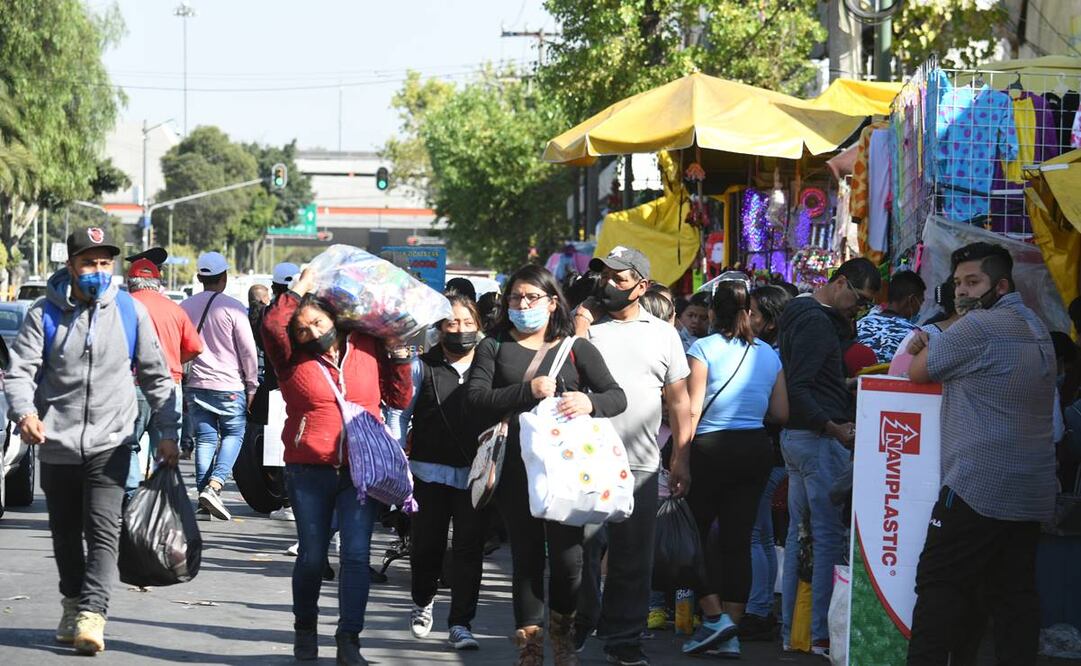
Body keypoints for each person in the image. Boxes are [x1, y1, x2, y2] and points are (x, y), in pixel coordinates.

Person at [4, 227, 181, 656]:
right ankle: (71, 601)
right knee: (64, 532)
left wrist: (168, 432)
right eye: (89, 263)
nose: (98, 271)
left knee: (103, 529)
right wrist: (25, 414)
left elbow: (158, 376)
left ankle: (92, 613)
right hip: (57, 441)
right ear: (72, 266)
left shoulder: (128, 311)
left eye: (105, 263)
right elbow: (19, 373)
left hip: (112, 439)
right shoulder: (43, 314)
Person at [466, 264, 627, 666]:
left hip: (567, 472)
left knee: (569, 560)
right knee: (525, 559)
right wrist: (526, 391)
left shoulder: (575, 347)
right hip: (514, 470)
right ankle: (531, 647)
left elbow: (616, 396)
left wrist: (589, 403)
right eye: (516, 297)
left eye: (532, 297)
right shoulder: (494, 346)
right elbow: (476, 399)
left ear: (553, 302)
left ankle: (563, 636)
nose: (523, 305)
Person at [904, 242, 1056, 665]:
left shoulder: (978, 328)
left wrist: (936, 335)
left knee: (938, 583)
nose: (962, 292)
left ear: (1001, 284)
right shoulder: (1036, 326)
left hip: (976, 484)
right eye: (956, 283)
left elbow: (918, 371)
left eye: (973, 282)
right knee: (1013, 596)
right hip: (1031, 489)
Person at [261, 267, 413, 665]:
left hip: (361, 472)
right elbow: (275, 322)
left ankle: (349, 640)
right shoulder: (290, 356)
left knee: (357, 557)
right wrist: (301, 288)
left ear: (335, 318)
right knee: (312, 556)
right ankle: (305, 630)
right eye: (303, 327)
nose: (310, 331)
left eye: (317, 322)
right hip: (308, 469)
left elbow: (398, 397)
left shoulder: (367, 343)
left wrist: (398, 352)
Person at [572, 247, 693, 666]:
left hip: (639, 463)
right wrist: (580, 328)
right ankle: (582, 621)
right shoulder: (584, 326)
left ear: (641, 286)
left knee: (631, 559)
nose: (608, 283)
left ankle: (623, 638)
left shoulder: (663, 334)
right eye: (604, 274)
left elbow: (679, 402)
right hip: (584, 462)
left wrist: (681, 456)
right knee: (581, 552)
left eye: (619, 278)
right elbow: (569, 375)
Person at [777, 257, 881, 656]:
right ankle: (819, 634)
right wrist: (833, 427)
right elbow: (802, 386)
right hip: (817, 439)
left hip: (798, 438)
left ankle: (795, 632)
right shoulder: (818, 322)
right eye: (860, 299)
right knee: (825, 538)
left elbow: (806, 380)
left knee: (799, 534)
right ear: (840, 284)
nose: (860, 309)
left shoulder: (799, 313)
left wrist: (843, 384)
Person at [680, 278, 788, 657]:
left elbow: (692, 409)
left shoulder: (703, 348)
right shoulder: (768, 354)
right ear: (747, 313)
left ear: (713, 312)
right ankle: (732, 629)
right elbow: (781, 412)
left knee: (692, 535)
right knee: (737, 541)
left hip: (710, 448)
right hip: (754, 448)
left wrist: (679, 458)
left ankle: (714, 619)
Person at [407, 294, 489, 650]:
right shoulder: (421, 367)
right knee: (427, 546)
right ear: (439, 329)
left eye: (468, 323)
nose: (460, 330)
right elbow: (401, 414)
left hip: (476, 475)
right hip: (428, 473)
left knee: (469, 550)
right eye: (452, 323)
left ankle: (461, 623)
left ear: (479, 327)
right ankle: (423, 601)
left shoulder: (490, 368)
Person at [180, 252, 259, 521]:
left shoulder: (184, 306)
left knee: (205, 438)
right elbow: (248, 351)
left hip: (195, 384)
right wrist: (251, 385)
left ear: (201, 278)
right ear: (223, 277)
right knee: (234, 435)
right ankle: (214, 485)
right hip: (229, 386)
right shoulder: (234, 308)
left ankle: (204, 500)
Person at [740, 285, 792, 641]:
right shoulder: (770, 352)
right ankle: (760, 607)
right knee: (762, 534)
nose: (748, 318)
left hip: (769, 454)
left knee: (758, 535)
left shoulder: (771, 356)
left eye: (754, 313)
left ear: (771, 322)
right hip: (771, 455)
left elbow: (778, 412)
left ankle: (759, 610)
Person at [127, 259, 203, 496]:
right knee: (167, 448)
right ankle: (163, 499)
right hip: (169, 386)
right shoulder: (174, 309)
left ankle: (129, 497)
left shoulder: (123, 307)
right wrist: (173, 361)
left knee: (127, 445)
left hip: (132, 386)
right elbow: (196, 347)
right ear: (158, 282)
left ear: (130, 283)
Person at [855, 270, 926, 363]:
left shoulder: (860, 324)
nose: (919, 308)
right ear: (912, 300)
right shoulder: (915, 336)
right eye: (921, 302)